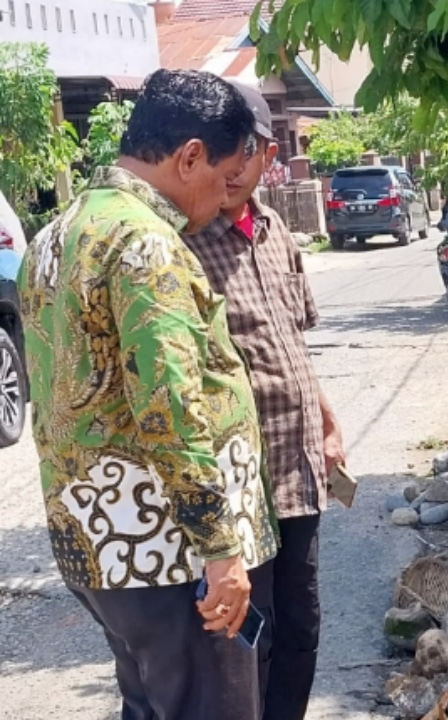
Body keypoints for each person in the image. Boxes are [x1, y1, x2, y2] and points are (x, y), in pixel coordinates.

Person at [17, 69, 275, 719]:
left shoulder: (59, 231)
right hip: (168, 550)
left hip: (99, 548)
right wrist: (220, 552)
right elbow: (169, 406)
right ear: (189, 156)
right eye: (221, 180)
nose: (223, 201)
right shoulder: (146, 243)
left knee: (150, 704)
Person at [184, 81, 346, 720]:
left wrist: (329, 425)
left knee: (303, 625)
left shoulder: (278, 231)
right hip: (235, 482)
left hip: (297, 469)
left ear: (266, 154)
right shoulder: (185, 241)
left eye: (242, 149)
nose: (228, 166)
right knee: (250, 635)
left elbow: (295, 347)